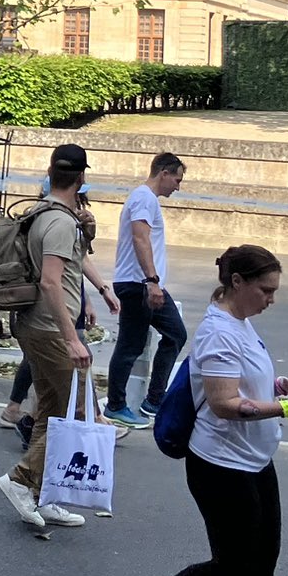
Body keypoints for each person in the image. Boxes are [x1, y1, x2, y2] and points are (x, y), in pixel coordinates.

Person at [123, 245, 288, 576]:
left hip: (254, 462)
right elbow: (224, 403)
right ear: (238, 283)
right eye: (265, 290)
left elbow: (240, 383)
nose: (272, 299)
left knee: (264, 558)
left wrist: (278, 386)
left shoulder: (242, 323)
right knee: (234, 564)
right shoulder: (218, 331)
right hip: (220, 467)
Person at [0, 144, 111, 531]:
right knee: (78, 412)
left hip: (33, 324)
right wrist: (72, 337)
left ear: (50, 172)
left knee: (49, 408)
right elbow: (50, 280)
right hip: (50, 329)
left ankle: (45, 493)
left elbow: (69, 269)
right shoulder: (60, 222)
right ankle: (21, 479)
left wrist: (98, 292)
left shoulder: (42, 213)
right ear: (81, 178)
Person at [106, 153, 190, 429]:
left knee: (175, 334)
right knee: (131, 345)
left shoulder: (146, 199)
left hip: (141, 283)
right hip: (138, 284)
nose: (177, 186)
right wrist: (151, 280)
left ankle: (154, 399)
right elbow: (140, 238)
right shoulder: (144, 198)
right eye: (176, 179)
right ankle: (116, 405)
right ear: (164, 173)